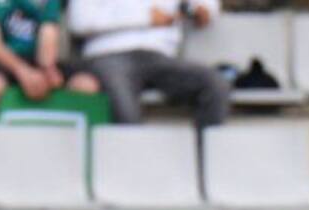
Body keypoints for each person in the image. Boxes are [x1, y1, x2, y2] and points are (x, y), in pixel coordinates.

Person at [66, 0, 229, 127]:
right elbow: (79, 21)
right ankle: (133, 158)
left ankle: (203, 158)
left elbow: (207, 7)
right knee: (125, 112)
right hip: (109, 53)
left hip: (159, 56)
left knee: (215, 84)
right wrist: (145, 17)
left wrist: (205, 10)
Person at [0, 0, 100, 123]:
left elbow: (48, 30)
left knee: (85, 84)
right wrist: (23, 72)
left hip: (35, 60)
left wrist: (48, 69)